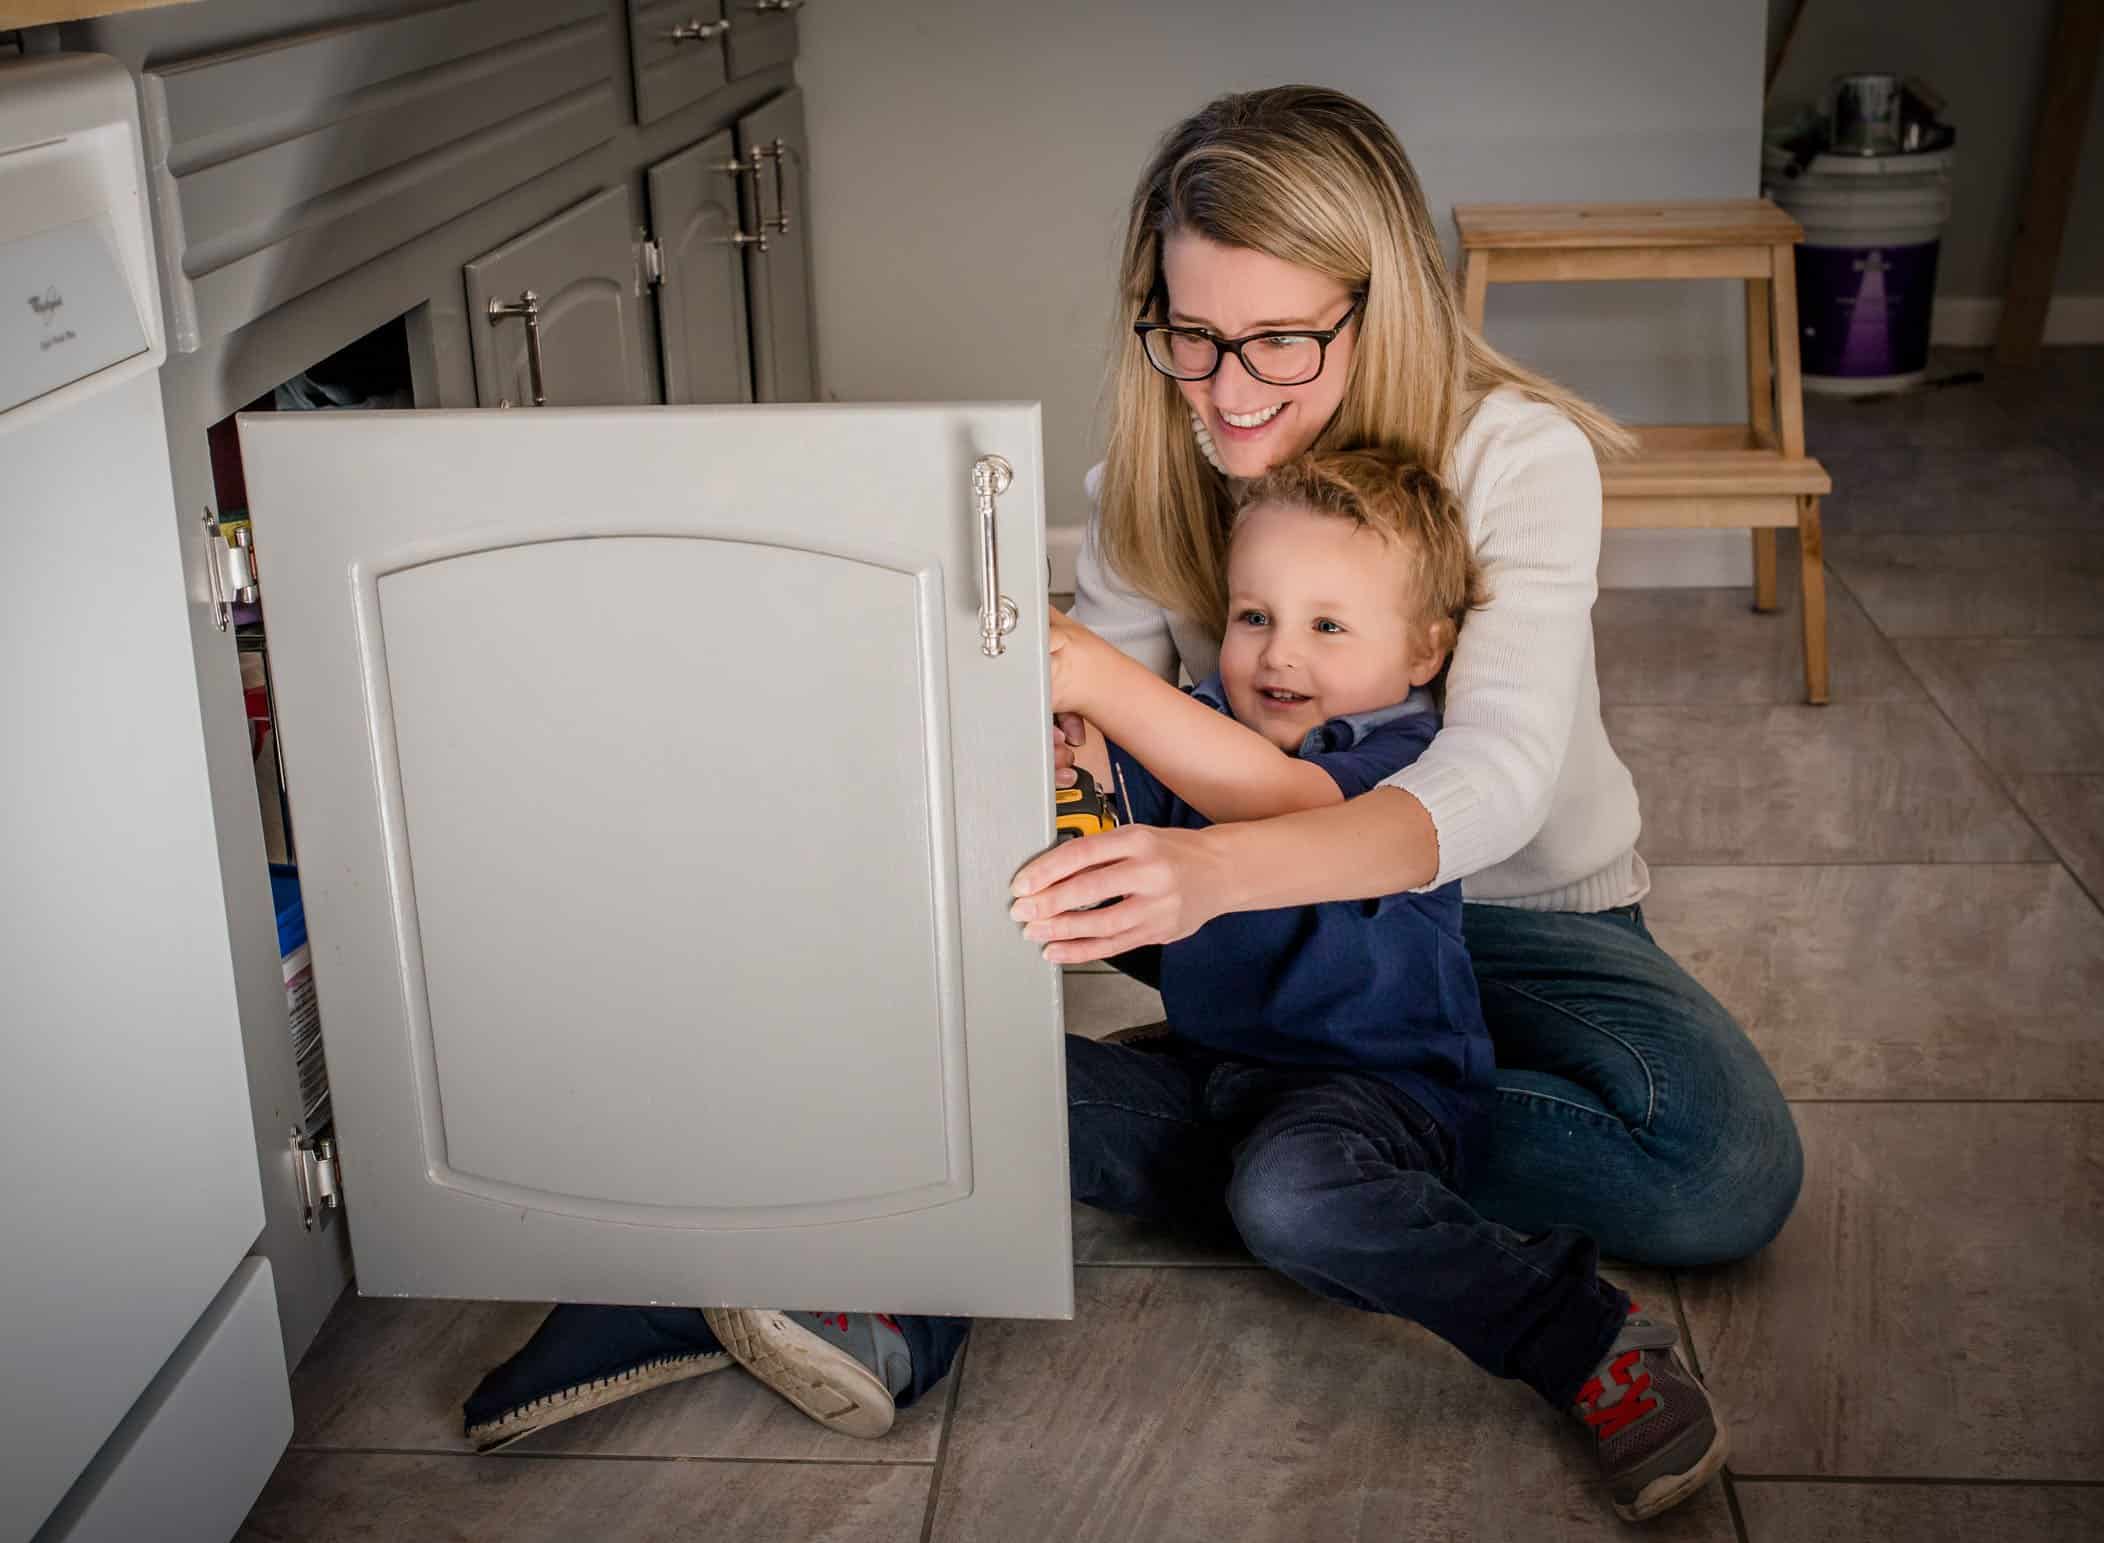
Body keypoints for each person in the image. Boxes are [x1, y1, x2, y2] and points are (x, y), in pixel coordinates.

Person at [465, 83, 1799, 1495]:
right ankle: (766, 1256)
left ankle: (1304, 1162)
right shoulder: (1154, 476)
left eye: (1282, 340)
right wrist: (1056, 784)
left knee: (1716, 1169)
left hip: (1522, 922)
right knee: (1019, 1089)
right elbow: (1131, 773)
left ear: (1381, 301)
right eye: (1193, 335)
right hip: (1274, 971)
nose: (1229, 390)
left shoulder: (1511, 456)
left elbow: (1497, 780)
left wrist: (1196, 851)